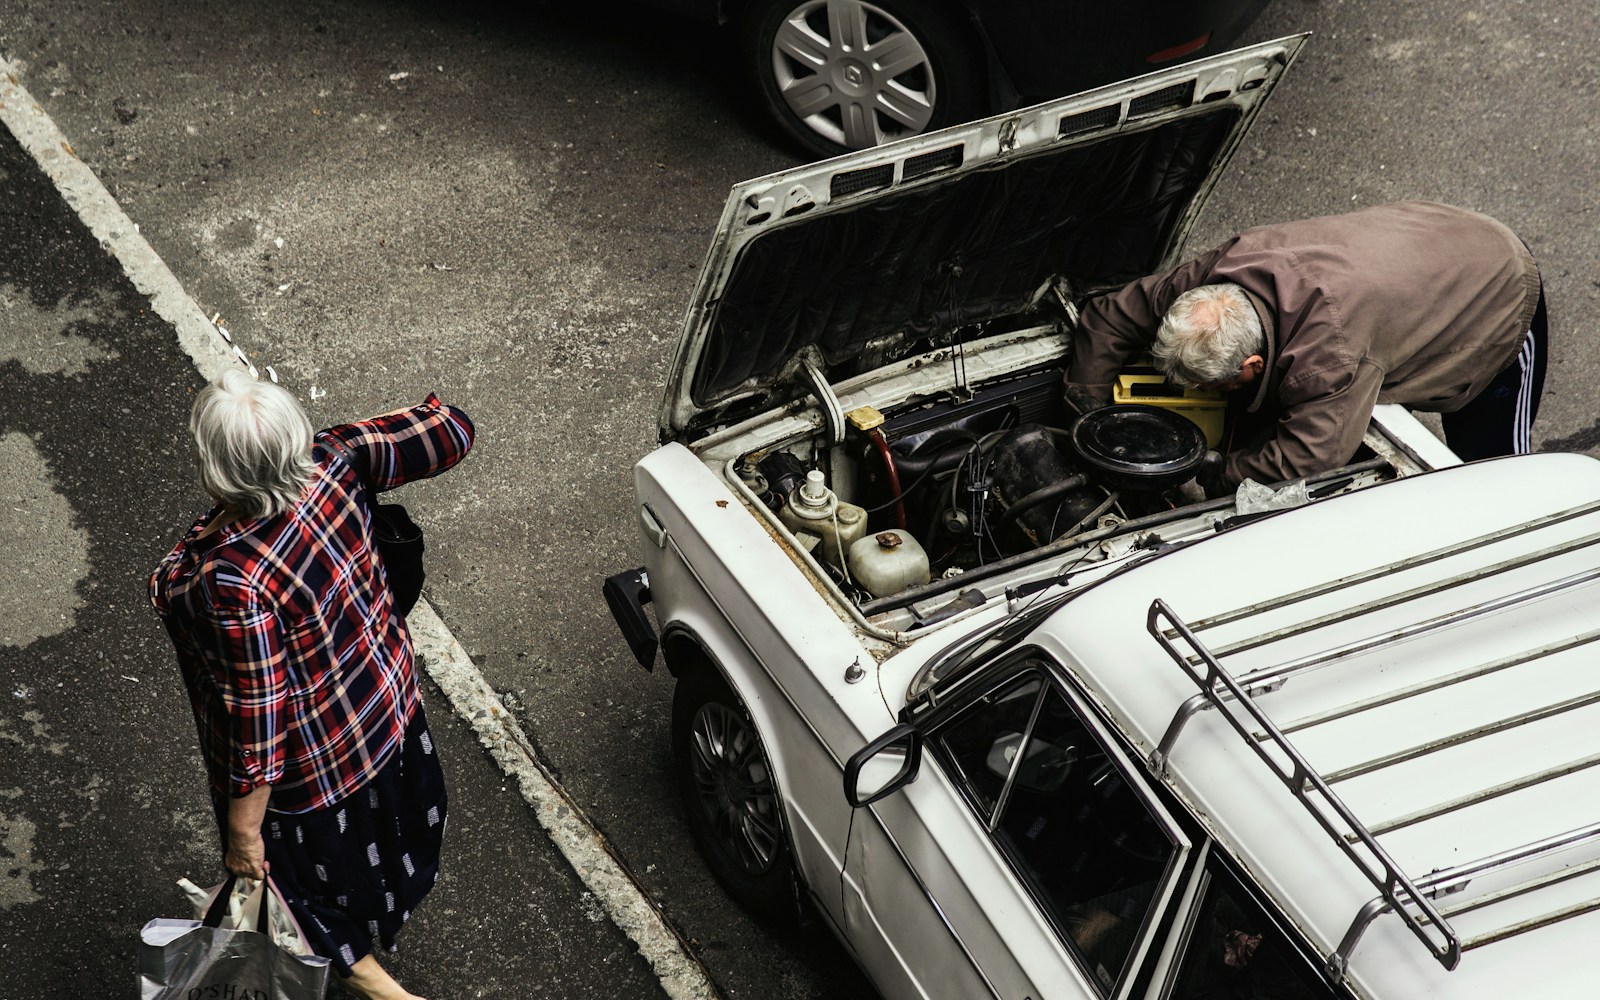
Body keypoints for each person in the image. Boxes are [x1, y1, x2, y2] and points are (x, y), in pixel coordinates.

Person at [150, 369, 475, 1000]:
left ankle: (389, 995)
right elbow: (451, 431)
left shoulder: (232, 580)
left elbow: (260, 714)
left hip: (315, 770)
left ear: (217, 470)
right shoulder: (339, 459)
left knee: (293, 897)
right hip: (387, 711)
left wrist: (243, 836)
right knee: (375, 853)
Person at [1065, 201, 1546, 495]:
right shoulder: (1214, 279)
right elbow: (1108, 316)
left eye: (1214, 384)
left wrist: (1212, 470)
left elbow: (1307, 461)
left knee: (1493, 473)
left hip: (1495, 288)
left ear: (1252, 364)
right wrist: (1084, 411)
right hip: (1416, 237)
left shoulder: (1327, 359)